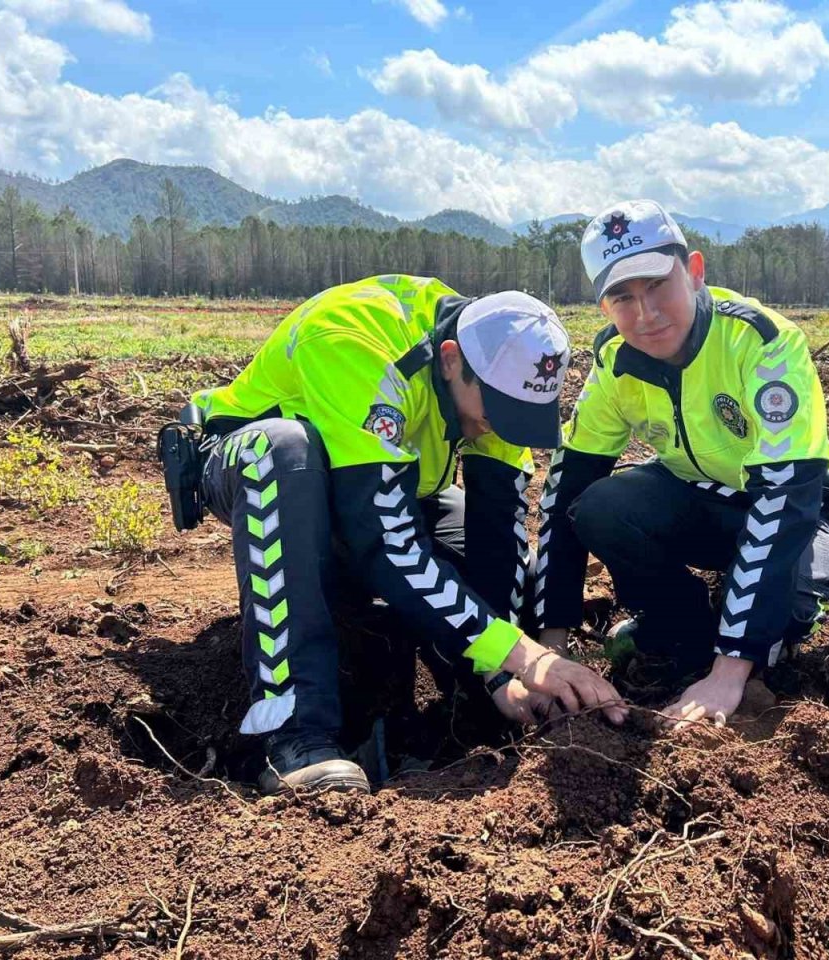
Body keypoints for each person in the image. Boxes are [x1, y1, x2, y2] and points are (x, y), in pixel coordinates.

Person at [186, 274, 626, 793]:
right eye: (498, 413)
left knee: (471, 549)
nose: (501, 428)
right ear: (450, 358)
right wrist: (529, 656)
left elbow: (499, 533)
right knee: (284, 450)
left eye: (521, 418)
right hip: (258, 467)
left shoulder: (497, 384)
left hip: (389, 484)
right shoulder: (355, 339)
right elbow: (384, 541)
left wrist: (501, 676)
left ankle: (466, 705)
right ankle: (296, 734)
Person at [533, 201, 829, 729]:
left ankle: (744, 645)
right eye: (623, 297)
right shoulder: (615, 360)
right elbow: (565, 485)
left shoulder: (759, 341)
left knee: (804, 594)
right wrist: (551, 645)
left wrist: (730, 673)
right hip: (700, 499)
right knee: (597, 507)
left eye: (657, 286)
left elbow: (783, 500)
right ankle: (680, 629)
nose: (645, 314)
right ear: (603, 307)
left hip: (800, 509)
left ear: (693, 271)